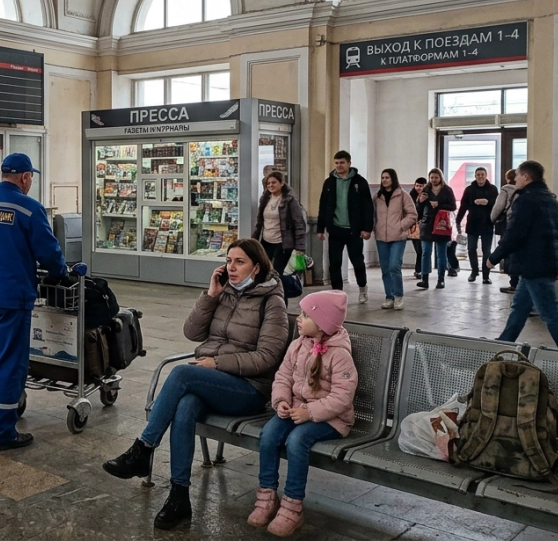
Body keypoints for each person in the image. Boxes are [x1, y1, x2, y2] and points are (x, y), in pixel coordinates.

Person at [103, 240, 289, 530]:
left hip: (249, 389)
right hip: (214, 381)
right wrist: (210, 296)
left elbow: (267, 358)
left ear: (258, 266)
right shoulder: (225, 292)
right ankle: (179, 497)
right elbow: (191, 332)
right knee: (186, 405)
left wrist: (217, 364)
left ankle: (143, 449)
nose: (231, 267)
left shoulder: (272, 301)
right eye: (228, 260)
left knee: (181, 374)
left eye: (239, 262)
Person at [0, 153, 67, 452]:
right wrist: (59, 273)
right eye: (30, 176)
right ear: (24, 177)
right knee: (9, 362)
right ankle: (2, 433)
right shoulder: (29, 208)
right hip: (11, 296)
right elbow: (49, 252)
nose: (30, 181)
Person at [248, 290, 356, 537]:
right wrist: (282, 401)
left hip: (332, 419)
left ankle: (293, 506)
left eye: (306, 315)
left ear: (322, 324)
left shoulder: (339, 354)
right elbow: (283, 376)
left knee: (297, 440)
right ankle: (266, 495)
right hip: (296, 409)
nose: (299, 317)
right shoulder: (297, 345)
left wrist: (309, 412)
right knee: (269, 434)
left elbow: (342, 397)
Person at [486, 161, 558, 350]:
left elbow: (515, 234)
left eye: (517, 175)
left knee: (549, 312)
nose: (515, 179)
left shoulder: (526, 200)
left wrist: (494, 258)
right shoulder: (551, 200)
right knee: (520, 306)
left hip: (534, 264)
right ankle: (504, 342)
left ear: (526, 177)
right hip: (541, 264)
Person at [316, 151, 374, 303]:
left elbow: (368, 206)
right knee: (334, 263)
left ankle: (362, 288)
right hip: (335, 229)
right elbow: (323, 205)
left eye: (342, 162)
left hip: (354, 230)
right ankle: (337, 294)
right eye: (336, 163)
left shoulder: (360, 182)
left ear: (349, 163)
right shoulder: (329, 182)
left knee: (357, 261)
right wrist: (320, 228)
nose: (339, 166)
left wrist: (367, 228)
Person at [372, 169, 417, 310]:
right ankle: (389, 297)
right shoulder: (377, 197)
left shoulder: (403, 195)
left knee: (394, 266)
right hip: (381, 237)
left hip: (398, 237)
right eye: (382, 177)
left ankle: (398, 296)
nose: (384, 180)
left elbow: (413, 214)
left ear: (393, 179)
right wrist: (374, 227)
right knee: (385, 269)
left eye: (387, 177)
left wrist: (401, 226)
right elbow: (371, 215)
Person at [252, 171, 307, 275]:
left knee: (278, 272)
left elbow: (299, 223)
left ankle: (279, 290)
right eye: (268, 183)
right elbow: (259, 222)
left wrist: (300, 247)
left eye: (274, 182)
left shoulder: (290, 200)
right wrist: (254, 240)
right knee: (262, 269)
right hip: (266, 241)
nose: (270, 185)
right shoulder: (265, 199)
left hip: (282, 244)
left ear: (281, 183)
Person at [457, 167, 499, 285]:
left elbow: (497, 205)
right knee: (471, 249)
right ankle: (474, 271)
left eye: (482, 174)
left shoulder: (492, 189)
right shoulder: (469, 190)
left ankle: (486, 275)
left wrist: (487, 203)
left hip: (487, 224)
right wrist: (458, 220)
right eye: (478, 175)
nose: (480, 177)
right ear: (475, 176)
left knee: (486, 251)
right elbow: (463, 206)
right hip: (472, 223)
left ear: (486, 176)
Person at [416, 169, 456, 290]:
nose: (433, 180)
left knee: (441, 253)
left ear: (441, 178)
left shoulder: (447, 190)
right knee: (426, 252)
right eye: (431, 177)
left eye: (436, 177)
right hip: (427, 224)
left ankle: (441, 279)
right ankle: (424, 279)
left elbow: (453, 206)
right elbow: (419, 208)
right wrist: (420, 201)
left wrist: (438, 205)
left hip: (442, 224)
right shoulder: (426, 189)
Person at [491, 169, 520, 294]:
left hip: (509, 223)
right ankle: (518, 282)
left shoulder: (506, 189)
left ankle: (513, 283)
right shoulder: (525, 190)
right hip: (522, 224)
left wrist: (492, 219)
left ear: (508, 178)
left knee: (508, 251)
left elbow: (498, 207)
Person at [408, 178, 426, 278]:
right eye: (417, 185)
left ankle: (420, 270)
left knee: (423, 250)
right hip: (414, 227)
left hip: (425, 226)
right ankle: (419, 270)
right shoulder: (411, 196)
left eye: (421, 186)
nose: (418, 188)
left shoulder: (427, 195)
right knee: (419, 250)